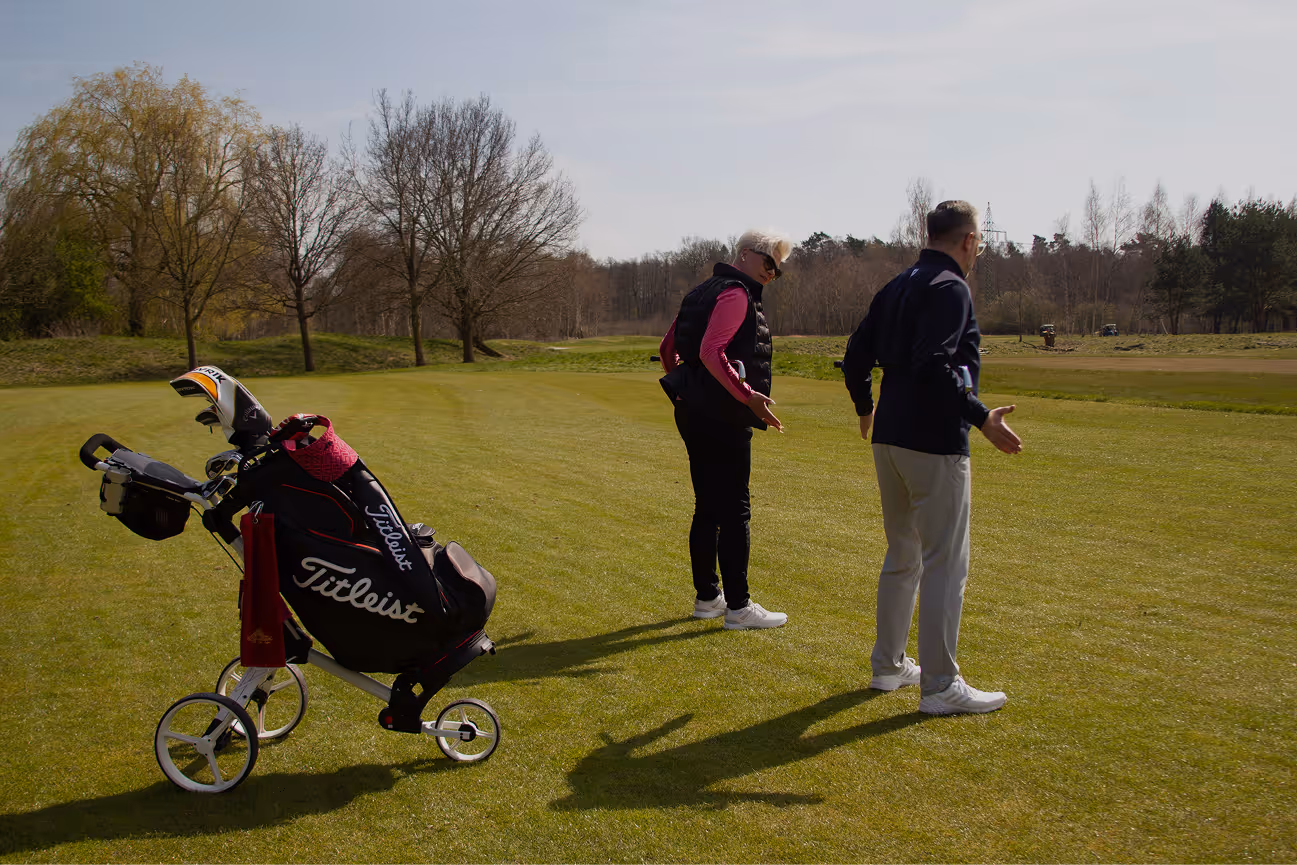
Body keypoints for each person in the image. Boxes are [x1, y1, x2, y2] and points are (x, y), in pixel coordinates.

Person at [842, 200, 1022, 714]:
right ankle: (941, 685)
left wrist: (864, 407)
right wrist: (980, 415)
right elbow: (934, 363)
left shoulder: (897, 285)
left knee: (903, 554)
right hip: (932, 441)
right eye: (980, 241)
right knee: (944, 562)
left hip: (891, 437)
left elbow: (856, 355)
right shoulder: (950, 288)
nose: (980, 249)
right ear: (967, 240)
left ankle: (889, 666)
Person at [659, 230, 792, 630]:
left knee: (708, 506)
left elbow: (670, 351)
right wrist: (747, 395)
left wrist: (689, 389)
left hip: (693, 411)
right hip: (723, 415)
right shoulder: (736, 294)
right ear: (747, 254)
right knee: (735, 509)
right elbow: (710, 351)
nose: (773, 271)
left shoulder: (701, 291)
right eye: (769, 261)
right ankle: (738, 606)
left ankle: (707, 599)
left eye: (778, 268)